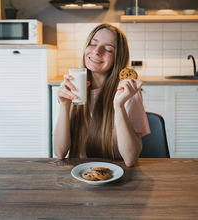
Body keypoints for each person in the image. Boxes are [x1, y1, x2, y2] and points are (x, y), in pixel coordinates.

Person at [53, 23, 150, 167]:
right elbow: (60, 152)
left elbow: (130, 159)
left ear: (118, 57)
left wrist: (119, 106)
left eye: (108, 49)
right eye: (93, 44)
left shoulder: (126, 91)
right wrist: (64, 105)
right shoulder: (73, 86)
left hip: (118, 174)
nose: (97, 52)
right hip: (80, 174)